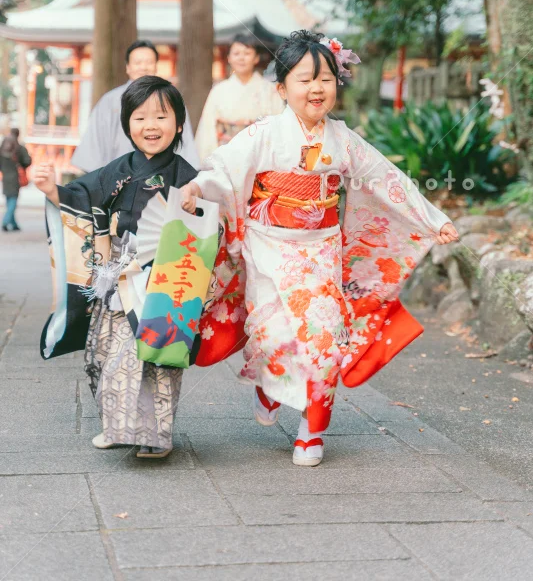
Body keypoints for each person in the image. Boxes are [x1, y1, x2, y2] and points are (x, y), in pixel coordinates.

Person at [181, 30, 459, 467]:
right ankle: (269, 387)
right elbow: (225, 171)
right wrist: (198, 187)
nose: (317, 88)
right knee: (272, 337)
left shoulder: (342, 139)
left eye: (326, 79)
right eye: (305, 79)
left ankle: (312, 431)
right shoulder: (263, 134)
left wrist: (432, 219)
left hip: (321, 252)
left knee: (324, 340)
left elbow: (385, 177)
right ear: (282, 89)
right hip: (268, 248)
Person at [34, 76, 198, 459]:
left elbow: (208, 219)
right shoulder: (117, 169)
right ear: (127, 125)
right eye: (139, 118)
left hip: (165, 280)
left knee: (157, 358)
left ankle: (154, 436)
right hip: (118, 275)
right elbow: (81, 198)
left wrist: (196, 200)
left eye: (161, 117)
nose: (150, 126)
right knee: (106, 352)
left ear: (178, 124)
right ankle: (117, 425)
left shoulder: (187, 176)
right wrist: (54, 191)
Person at [72, 40, 199, 172]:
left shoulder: (170, 98)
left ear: (156, 66)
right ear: (128, 67)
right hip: (116, 176)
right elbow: (95, 142)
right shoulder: (110, 101)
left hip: (163, 176)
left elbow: (184, 143)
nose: (143, 67)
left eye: (149, 62)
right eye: (138, 63)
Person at [195, 34, 284, 162]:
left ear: (256, 58)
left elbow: (279, 124)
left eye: (247, 53)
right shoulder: (219, 91)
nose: (241, 58)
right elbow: (208, 128)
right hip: (227, 155)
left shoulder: (270, 89)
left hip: (261, 155)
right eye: (236, 53)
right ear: (229, 58)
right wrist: (211, 158)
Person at [0, 128, 32, 232]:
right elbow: (27, 161)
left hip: (5, 177)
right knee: (13, 200)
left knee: (9, 200)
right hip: (16, 178)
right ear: (18, 135)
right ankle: (5, 221)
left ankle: (13, 224)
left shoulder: (2, 149)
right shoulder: (19, 148)